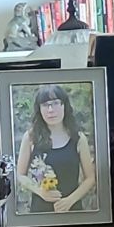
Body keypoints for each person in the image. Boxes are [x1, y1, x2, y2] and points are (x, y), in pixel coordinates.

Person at [15, 84, 96, 214]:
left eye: (55, 103)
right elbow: (20, 175)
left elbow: (90, 178)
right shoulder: (31, 137)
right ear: (39, 109)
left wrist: (70, 201)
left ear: (64, 105)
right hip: (40, 211)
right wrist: (40, 191)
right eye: (45, 105)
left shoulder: (78, 138)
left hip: (72, 211)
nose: (51, 110)